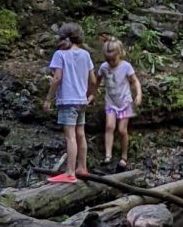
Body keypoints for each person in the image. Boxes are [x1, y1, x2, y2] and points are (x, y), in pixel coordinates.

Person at [42, 23, 96, 183]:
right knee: (81, 134)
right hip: (81, 101)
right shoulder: (85, 55)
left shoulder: (60, 54)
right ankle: (82, 167)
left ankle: (70, 173)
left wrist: (48, 100)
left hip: (67, 101)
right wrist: (91, 94)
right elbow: (92, 79)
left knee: (70, 137)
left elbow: (57, 78)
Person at [98, 38, 142, 169]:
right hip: (111, 102)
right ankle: (108, 155)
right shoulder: (104, 67)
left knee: (122, 130)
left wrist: (139, 94)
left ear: (119, 54)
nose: (111, 62)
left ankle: (124, 156)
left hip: (125, 102)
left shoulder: (126, 66)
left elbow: (135, 81)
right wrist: (92, 94)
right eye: (108, 59)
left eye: (113, 59)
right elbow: (96, 81)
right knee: (109, 127)